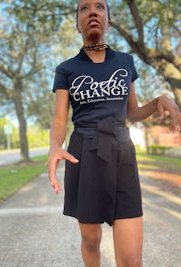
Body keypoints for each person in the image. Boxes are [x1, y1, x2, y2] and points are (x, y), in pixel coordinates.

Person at [47, 0, 181, 266]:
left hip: (122, 153)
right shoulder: (66, 69)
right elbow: (61, 117)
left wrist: (158, 101)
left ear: (109, 20)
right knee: (91, 240)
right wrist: (54, 145)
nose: (93, 11)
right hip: (83, 152)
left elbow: (132, 113)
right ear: (77, 24)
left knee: (132, 259)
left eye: (100, 7)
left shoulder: (125, 62)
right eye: (84, 9)